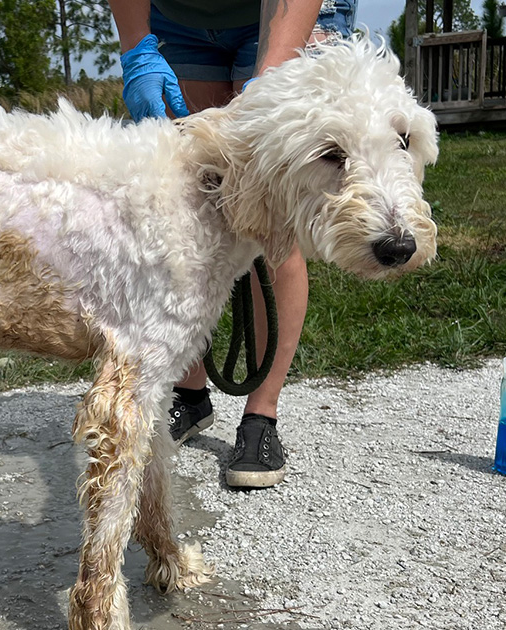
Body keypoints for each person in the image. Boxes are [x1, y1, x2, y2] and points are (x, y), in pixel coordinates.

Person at [108, 0, 357, 489]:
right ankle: (190, 392)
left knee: (272, 210)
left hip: (284, 11)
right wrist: (139, 49)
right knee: (186, 202)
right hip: (178, 19)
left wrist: (275, 75)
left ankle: (261, 414)